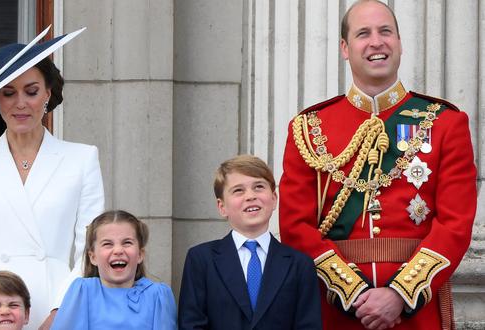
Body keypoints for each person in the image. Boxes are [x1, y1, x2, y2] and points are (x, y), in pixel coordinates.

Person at [279, 1, 477, 329]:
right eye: (363, 34)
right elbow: (295, 227)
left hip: (416, 311)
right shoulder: (309, 128)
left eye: (386, 31)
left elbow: (455, 225)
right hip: (336, 312)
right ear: (345, 48)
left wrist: (399, 294)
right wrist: (353, 292)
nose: (376, 41)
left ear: (399, 42)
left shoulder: (444, 122)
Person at [0, 26, 105, 329]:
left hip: (58, 305)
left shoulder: (82, 159)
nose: (20, 103)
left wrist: (60, 314)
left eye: (31, 91)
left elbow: (90, 249)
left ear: (48, 93)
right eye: (8, 93)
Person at [179, 155, 322, 329]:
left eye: (259, 187)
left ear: (274, 198)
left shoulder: (300, 264)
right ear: (222, 207)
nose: (250, 196)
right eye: (238, 190)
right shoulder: (201, 260)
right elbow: (191, 324)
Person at [50, 210, 177, 329]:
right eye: (107, 244)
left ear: (140, 255)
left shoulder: (158, 296)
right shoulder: (82, 292)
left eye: (127, 242)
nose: (118, 250)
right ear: (93, 257)